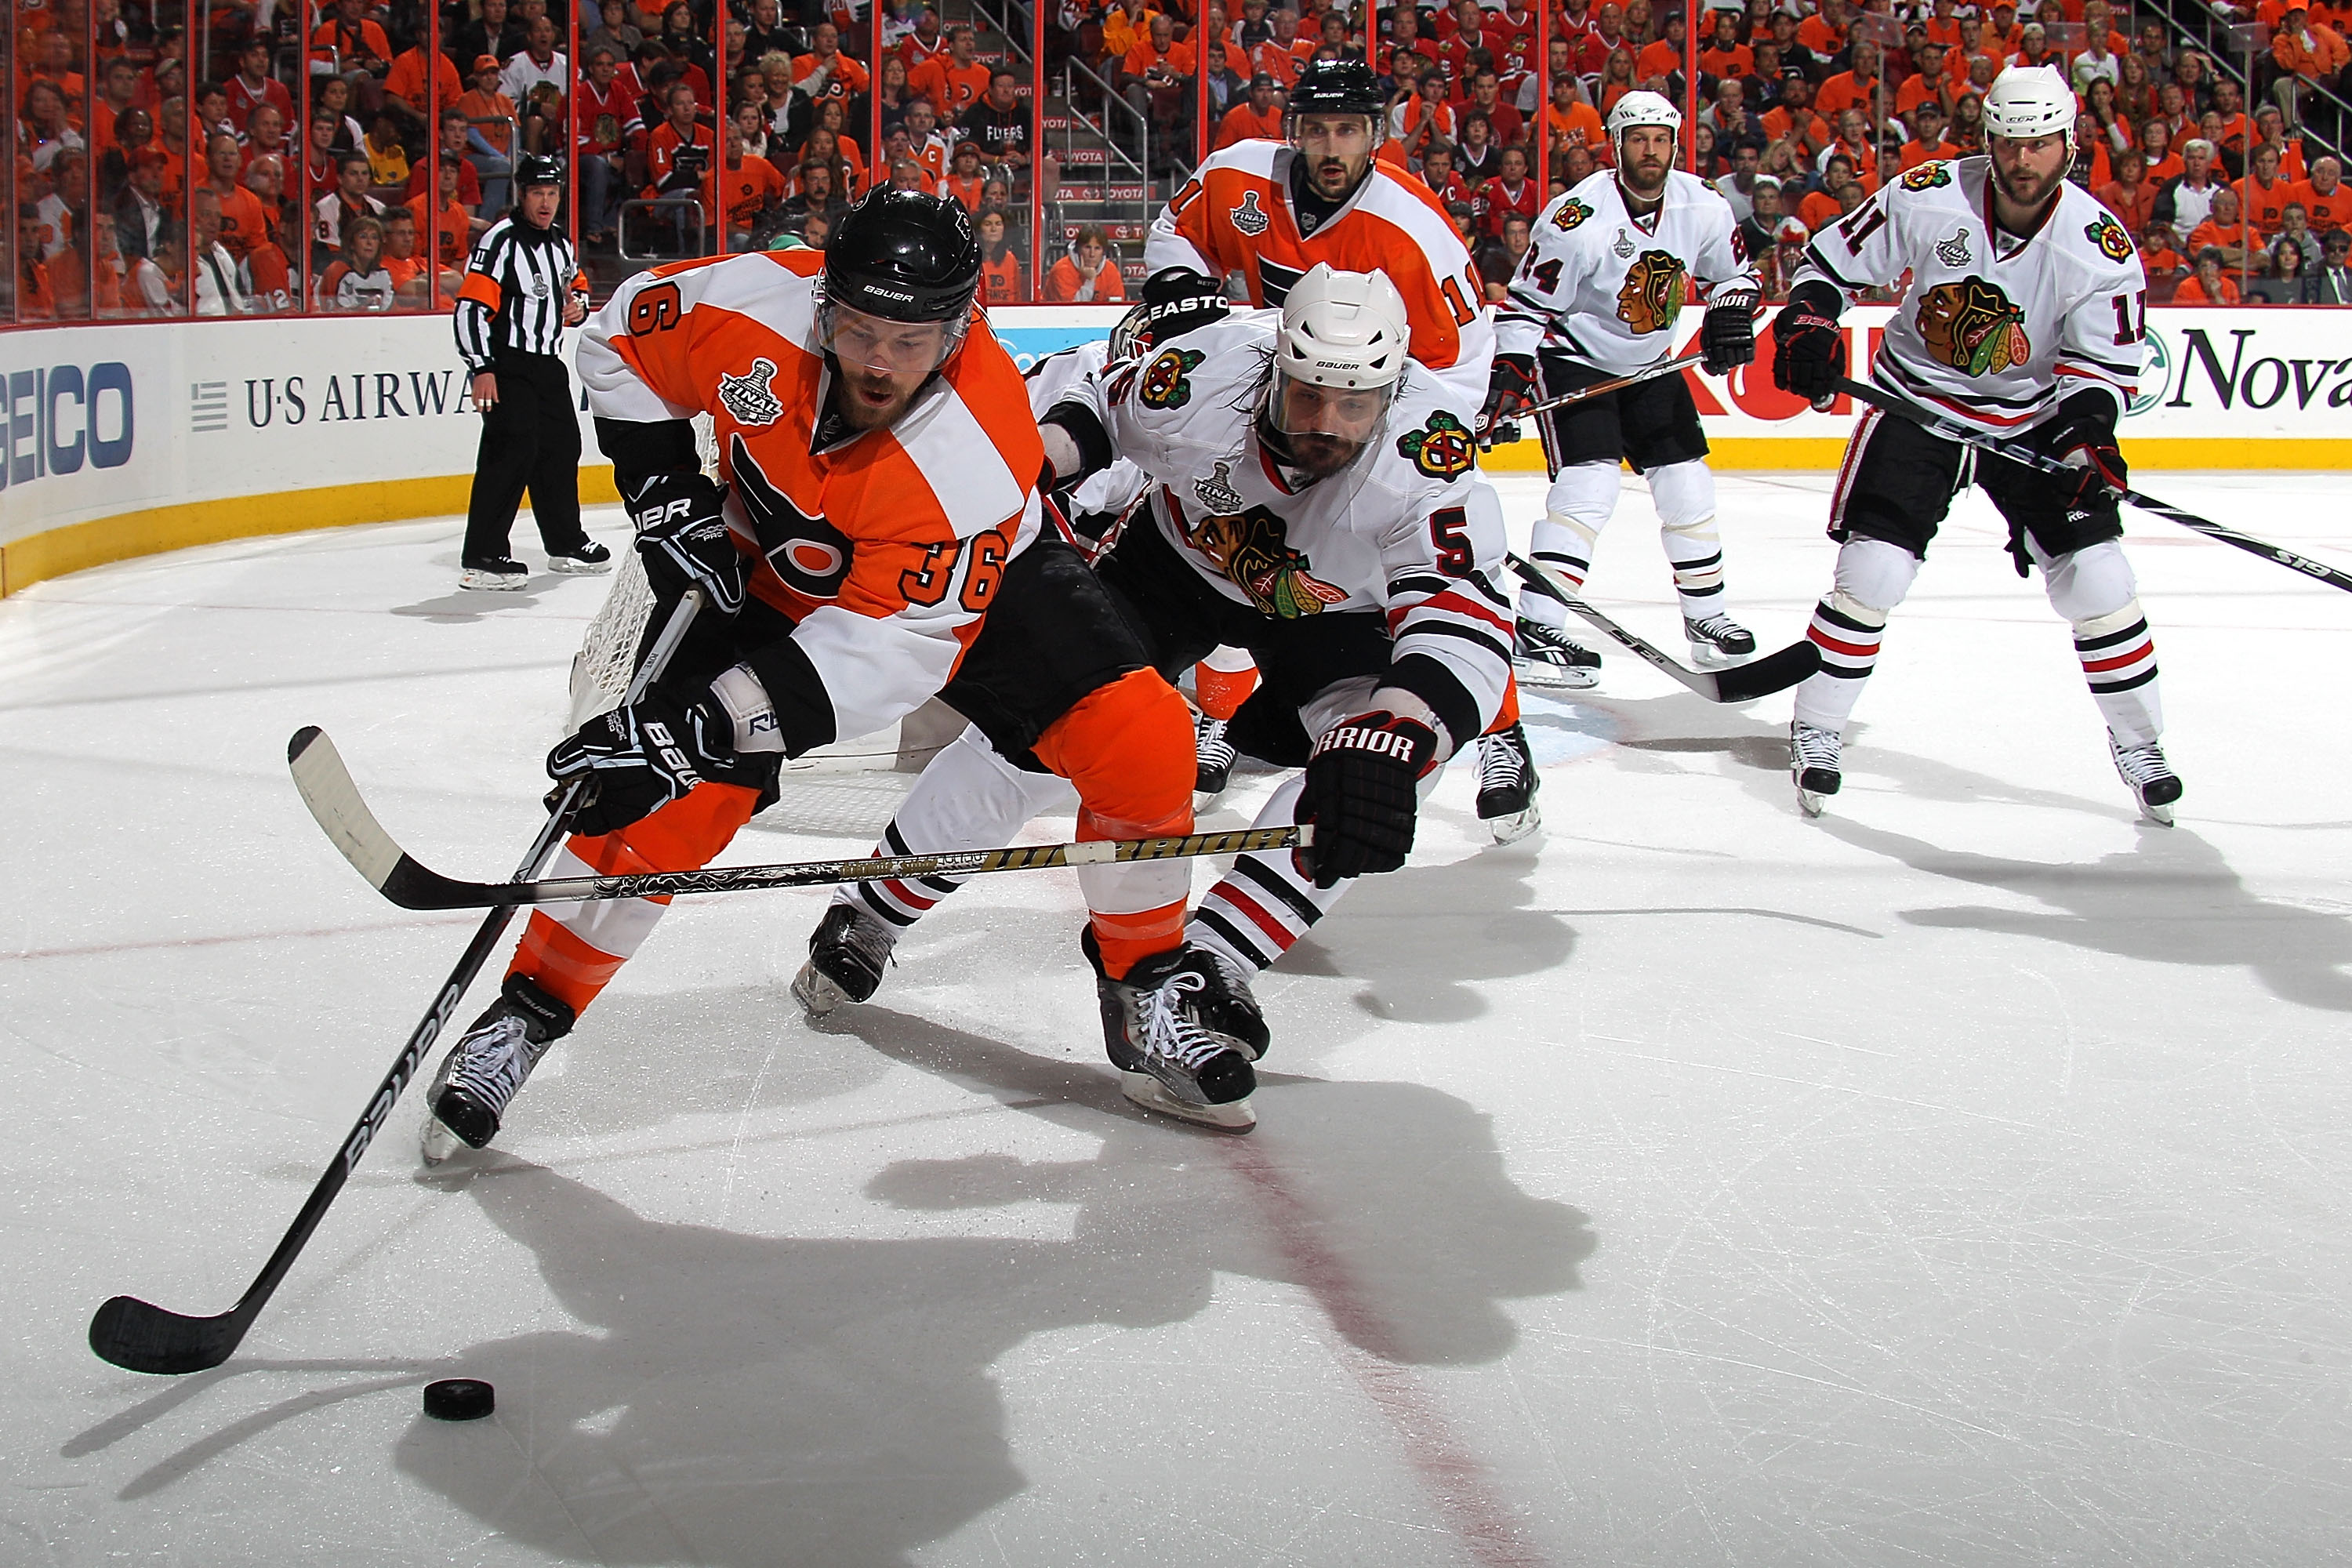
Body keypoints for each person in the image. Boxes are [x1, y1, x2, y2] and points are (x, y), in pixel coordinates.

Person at [793, 267, 1514, 1131]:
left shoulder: (1428, 456)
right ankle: (873, 907)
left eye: (1352, 406)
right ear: (1275, 365)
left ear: (1392, 391)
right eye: (1307, 395)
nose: (1325, 426)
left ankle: (1200, 965)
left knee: (1370, 781)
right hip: (1174, 568)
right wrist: (1029, 469)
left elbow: (1463, 626)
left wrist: (1396, 737)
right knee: (1036, 739)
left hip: (1336, 617)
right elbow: (1092, 403)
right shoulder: (1211, 368)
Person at [420, 191, 1043, 1160]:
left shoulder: (981, 456)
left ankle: (537, 1009)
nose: (879, 361)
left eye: (912, 340)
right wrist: (667, 494)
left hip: (859, 624)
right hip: (745, 566)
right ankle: (525, 1014)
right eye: (860, 328)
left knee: (690, 789)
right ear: (826, 302)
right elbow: (617, 339)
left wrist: (701, 729)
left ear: (961, 332)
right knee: (636, 805)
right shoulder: (755, 303)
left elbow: (890, 655)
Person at [1769, 67, 2178, 824]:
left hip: (2030, 419)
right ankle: (1818, 726)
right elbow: (1828, 265)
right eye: (2010, 144)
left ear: (2070, 145)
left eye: (2041, 145)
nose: (2024, 161)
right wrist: (1810, 321)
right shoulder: (1929, 194)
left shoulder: (2100, 247)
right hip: (1916, 405)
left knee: (2101, 582)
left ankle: (2142, 741)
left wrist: (2089, 437)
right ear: (1989, 139)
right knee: (1874, 573)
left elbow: (2100, 375)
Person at [1140, 58, 1534, 837]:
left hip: (1362, 424)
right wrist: (1186, 311)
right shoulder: (1238, 177)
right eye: (1316, 128)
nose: (1330, 145)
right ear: (1293, 131)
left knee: (1423, 589)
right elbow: (1173, 237)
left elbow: (1459, 355)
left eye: (1348, 130)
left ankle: (1500, 727)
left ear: (1375, 136)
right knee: (1224, 551)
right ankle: (1219, 715)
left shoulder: (1414, 229)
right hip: (1256, 407)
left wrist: (1415, 439)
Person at [1486, 89, 1762, 699]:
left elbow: (1738, 275)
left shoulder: (1703, 205)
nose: (1651, 151)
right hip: (1574, 359)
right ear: (1615, 146)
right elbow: (1527, 306)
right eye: (1638, 139)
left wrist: (1731, 309)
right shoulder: (1576, 218)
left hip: (1650, 362)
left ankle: (1705, 616)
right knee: (1590, 486)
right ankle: (1538, 624)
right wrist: (1509, 372)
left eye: (1661, 140)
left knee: (1687, 482)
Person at [452, 156, 612, 590]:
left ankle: (565, 543)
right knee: (511, 451)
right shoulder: (500, 242)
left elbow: (575, 286)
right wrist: (481, 368)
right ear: (521, 195)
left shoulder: (560, 244)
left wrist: (578, 307)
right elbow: (471, 309)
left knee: (561, 449)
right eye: (538, 193)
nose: (546, 203)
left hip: (546, 364)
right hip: (507, 362)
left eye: (553, 194)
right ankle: (483, 554)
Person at [1045, 224, 1127, 300]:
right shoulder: (1062, 270)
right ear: (1078, 249)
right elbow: (1073, 310)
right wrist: (1090, 281)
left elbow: (1117, 304)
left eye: (1097, 248)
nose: (1092, 254)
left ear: (1103, 251)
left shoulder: (1110, 270)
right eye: (1087, 247)